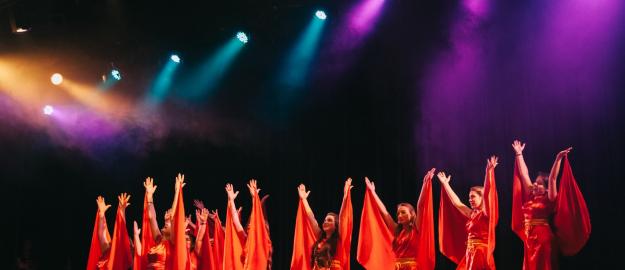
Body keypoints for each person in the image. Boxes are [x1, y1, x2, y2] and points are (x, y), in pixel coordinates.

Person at [511, 140, 590, 270]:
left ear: (547, 188)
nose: (535, 185)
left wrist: (558, 159)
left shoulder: (550, 198)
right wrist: (519, 154)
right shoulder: (531, 195)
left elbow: (553, 178)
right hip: (529, 237)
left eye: (540, 183)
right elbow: (524, 174)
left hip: (543, 238)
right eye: (535, 183)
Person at [358, 169, 436, 270]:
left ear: (412, 215)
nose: (399, 215)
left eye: (403, 212)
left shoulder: (416, 229)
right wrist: (373, 192)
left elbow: (420, 206)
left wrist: (424, 185)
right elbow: (384, 212)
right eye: (398, 213)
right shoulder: (397, 231)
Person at [438, 156, 499, 270]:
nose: (470, 200)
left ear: (481, 198)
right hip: (470, 252)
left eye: (473, 197)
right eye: (469, 197)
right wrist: (446, 184)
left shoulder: (486, 214)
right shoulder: (472, 214)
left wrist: (489, 172)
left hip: (480, 253)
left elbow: (487, 193)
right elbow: (457, 203)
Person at [293, 178, 353, 270]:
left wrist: (345, 197)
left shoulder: (340, 239)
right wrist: (304, 199)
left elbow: (343, 217)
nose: (325, 222)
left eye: (329, 220)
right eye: (325, 220)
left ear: (336, 225)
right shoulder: (320, 237)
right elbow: (311, 218)